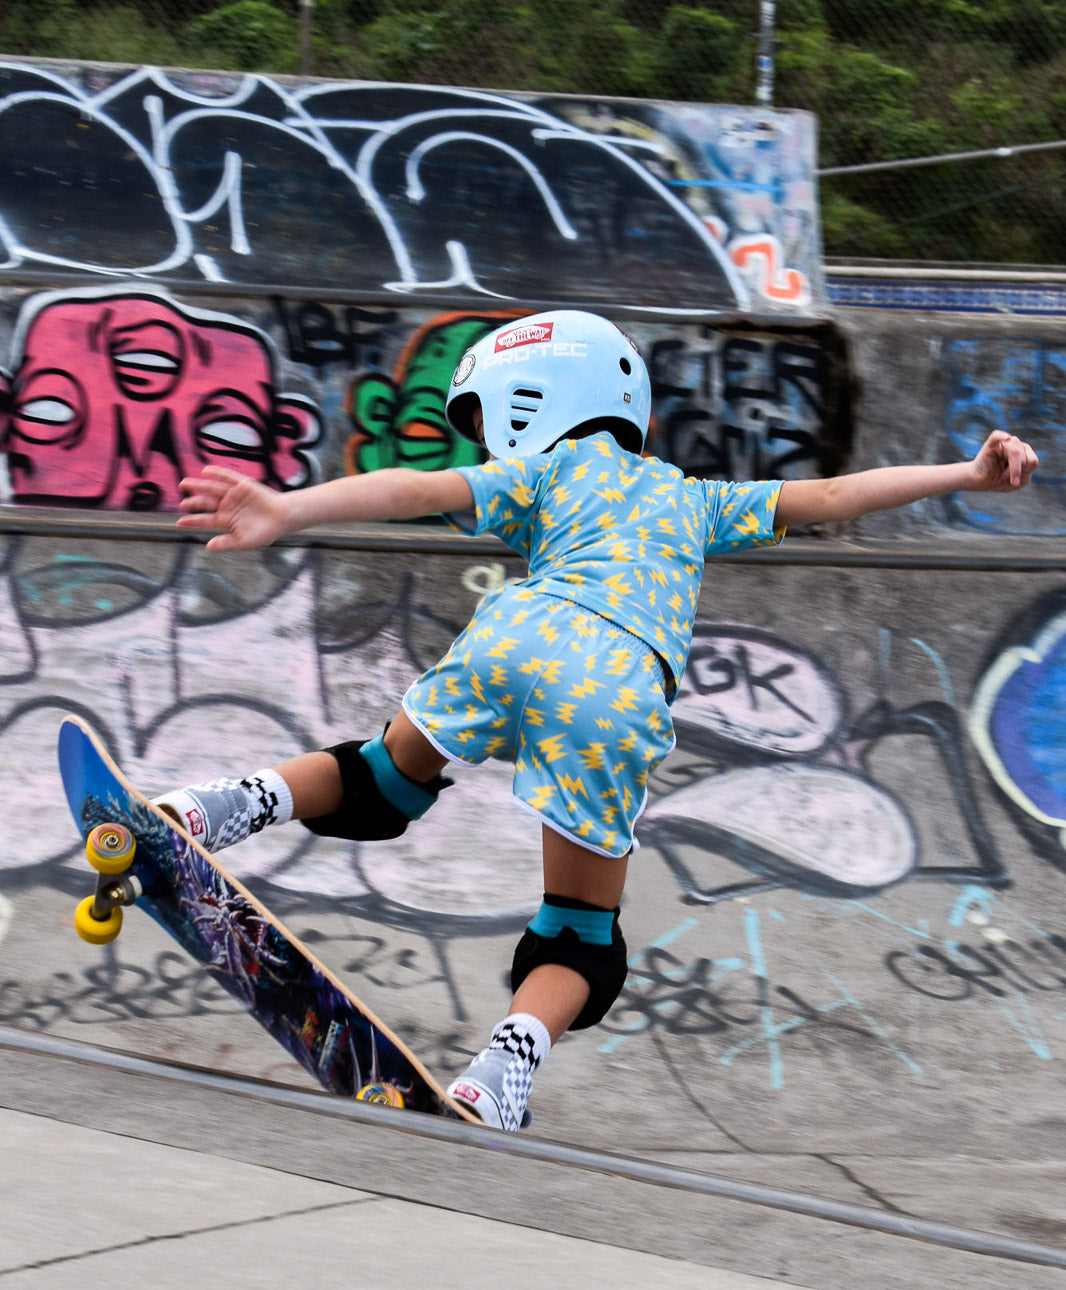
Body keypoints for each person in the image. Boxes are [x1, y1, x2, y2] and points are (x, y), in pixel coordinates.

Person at [166, 309, 1038, 1131]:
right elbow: (839, 494)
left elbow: (414, 487)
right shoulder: (696, 498)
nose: (489, 441)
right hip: (616, 687)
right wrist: (966, 474)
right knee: (580, 933)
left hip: (515, 636)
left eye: (491, 420)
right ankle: (499, 1075)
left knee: (377, 780)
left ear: (534, 403)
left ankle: (218, 807)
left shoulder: (545, 472)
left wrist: (290, 508)